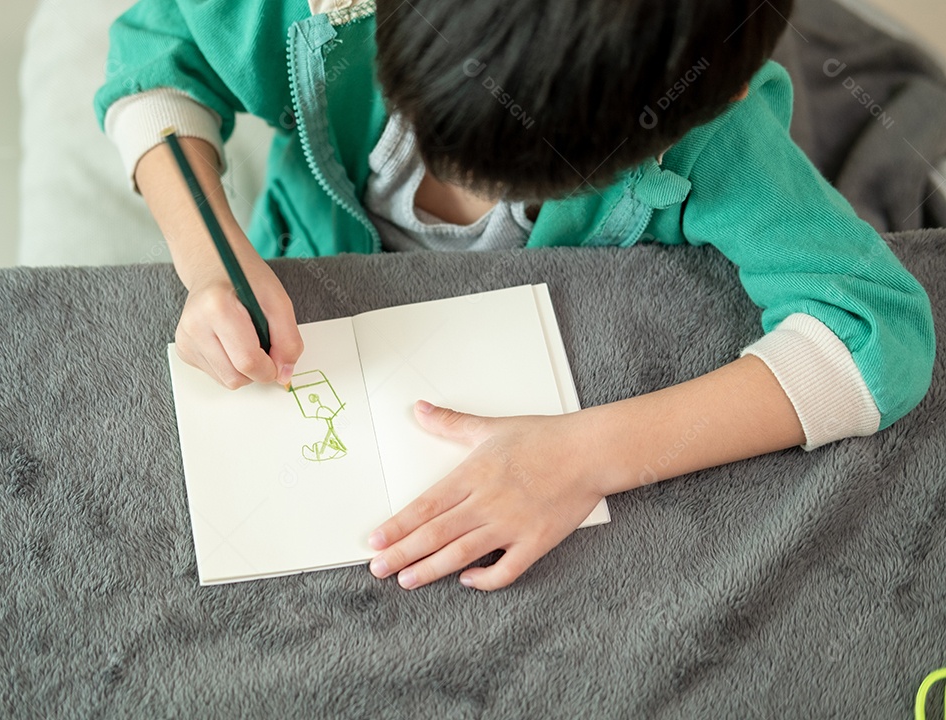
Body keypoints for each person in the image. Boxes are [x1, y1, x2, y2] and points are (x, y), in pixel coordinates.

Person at [94, 0, 935, 592]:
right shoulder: (322, 9)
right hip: (307, 255)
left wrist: (588, 455)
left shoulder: (713, 135)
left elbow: (879, 335)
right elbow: (158, 48)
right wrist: (209, 259)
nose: (449, 186)